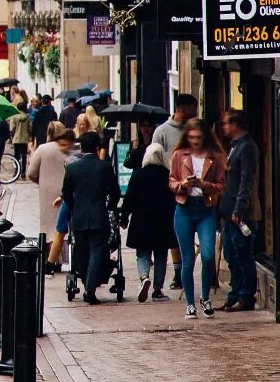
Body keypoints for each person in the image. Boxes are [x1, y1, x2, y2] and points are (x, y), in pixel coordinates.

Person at [169, 118, 227, 319]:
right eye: (191, 137)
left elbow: (221, 186)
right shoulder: (179, 155)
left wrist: (204, 184)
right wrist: (182, 184)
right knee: (187, 260)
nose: (194, 141)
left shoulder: (215, 156)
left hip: (205, 208)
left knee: (208, 254)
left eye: (198, 137)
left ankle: (205, 297)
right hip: (184, 208)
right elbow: (171, 181)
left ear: (205, 137)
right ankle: (190, 304)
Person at [60, 131, 120, 303]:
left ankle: (88, 284)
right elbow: (115, 192)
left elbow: (66, 193)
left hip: (78, 217)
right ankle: (90, 289)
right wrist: (111, 205)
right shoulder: (104, 167)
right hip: (99, 216)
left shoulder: (72, 168)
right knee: (96, 252)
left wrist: (73, 207)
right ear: (96, 147)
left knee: (82, 253)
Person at [122, 142, 175, 303]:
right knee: (160, 254)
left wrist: (124, 217)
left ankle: (144, 277)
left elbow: (129, 198)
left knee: (142, 253)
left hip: (141, 220)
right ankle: (158, 290)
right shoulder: (168, 175)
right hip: (163, 221)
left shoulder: (138, 174)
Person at [220, 110, 260, 312]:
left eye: (227, 123)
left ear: (236, 124)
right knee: (231, 254)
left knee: (243, 254)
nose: (224, 127)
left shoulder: (247, 147)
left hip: (242, 213)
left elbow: (246, 180)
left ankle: (246, 296)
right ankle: (234, 293)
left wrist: (239, 208)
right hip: (228, 213)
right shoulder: (234, 147)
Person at [25, 122, 74, 271]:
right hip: (67, 189)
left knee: (48, 227)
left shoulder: (42, 149)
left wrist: (41, 180)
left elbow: (31, 172)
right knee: (63, 226)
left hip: (47, 191)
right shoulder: (70, 148)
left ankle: (51, 260)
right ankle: (61, 259)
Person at [152, 94, 197, 158]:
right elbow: (155, 158)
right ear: (183, 110)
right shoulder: (161, 132)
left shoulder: (194, 130)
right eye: (194, 110)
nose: (195, 114)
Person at [7, 103, 31, 177]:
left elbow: (12, 128)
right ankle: (23, 172)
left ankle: (17, 171)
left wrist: (12, 136)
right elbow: (30, 127)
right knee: (24, 155)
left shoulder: (14, 116)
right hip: (25, 138)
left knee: (16, 155)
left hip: (16, 138)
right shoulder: (27, 116)